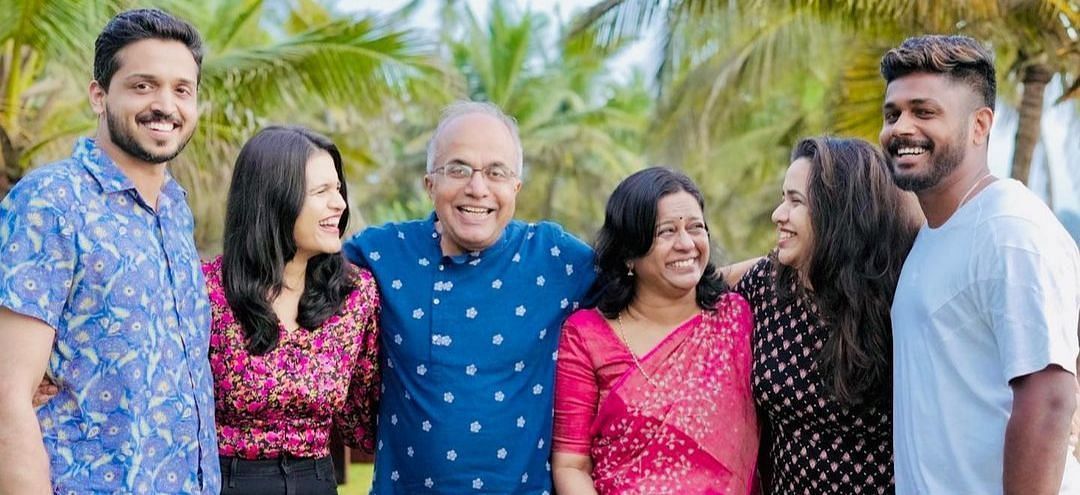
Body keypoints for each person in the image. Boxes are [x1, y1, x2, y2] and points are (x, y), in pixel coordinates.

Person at [0, 8, 220, 494]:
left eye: (182, 90)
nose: (166, 104)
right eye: (143, 86)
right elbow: (7, 397)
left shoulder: (175, 211)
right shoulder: (52, 202)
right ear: (99, 95)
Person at [341, 101, 597, 493]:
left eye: (496, 172)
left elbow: (648, 281)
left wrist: (724, 277)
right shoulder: (382, 254)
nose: (477, 188)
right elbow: (299, 273)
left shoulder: (555, 258)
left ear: (515, 187)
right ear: (430, 184)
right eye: (458, 169)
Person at [880, 35, 1080, 494]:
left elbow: (1049, 401)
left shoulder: (1011, 229)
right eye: (893, 114)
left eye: (924, 112)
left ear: (980, 125)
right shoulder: (933, 235)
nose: (901, 128)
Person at [728, 136, 921, 494]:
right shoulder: (767, 284)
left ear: (838, 210)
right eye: (782, 198)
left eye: (795, 201)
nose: (778, 214)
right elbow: (694, 291)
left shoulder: (901, 291)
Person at [551, 167, 759, 494]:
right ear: (629, 254)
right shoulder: (586, 335)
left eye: (696, 228)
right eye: (666, 232)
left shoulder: (735, 317)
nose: (686, 244)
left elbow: (795, 261)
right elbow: (571, 464)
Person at [205, 126, 379, 494]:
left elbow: (364, 419)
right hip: (227, 481)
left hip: (316, 478)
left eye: (338, 189)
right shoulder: (207, 291)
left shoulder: (354, 295)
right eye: (321, 192)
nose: (340, 204)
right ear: (273, 200)